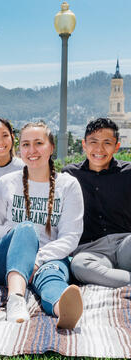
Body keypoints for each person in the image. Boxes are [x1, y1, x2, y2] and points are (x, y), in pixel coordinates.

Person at [0, 121, 84, 329]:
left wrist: (36, 260)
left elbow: (70, 237)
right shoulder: (7, 182)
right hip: (4, 259)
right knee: (27, 228)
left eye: (39, 143)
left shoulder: (68, 185)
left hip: (48, 258)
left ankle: (61, 307)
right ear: (19, 149)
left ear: (51, 147)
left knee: (52, 275)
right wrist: (18, 234)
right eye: (26, 144)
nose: (32, 150)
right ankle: (15, 300)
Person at [62, 118, 131, 287]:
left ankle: (117, 278)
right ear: (84, 144)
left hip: (125, 245)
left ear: (116, 146)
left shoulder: (128, 172)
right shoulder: (69, 175)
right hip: (91, 251)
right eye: (93, 142)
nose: (99, 149)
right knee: (78, 266)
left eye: (107, 143)